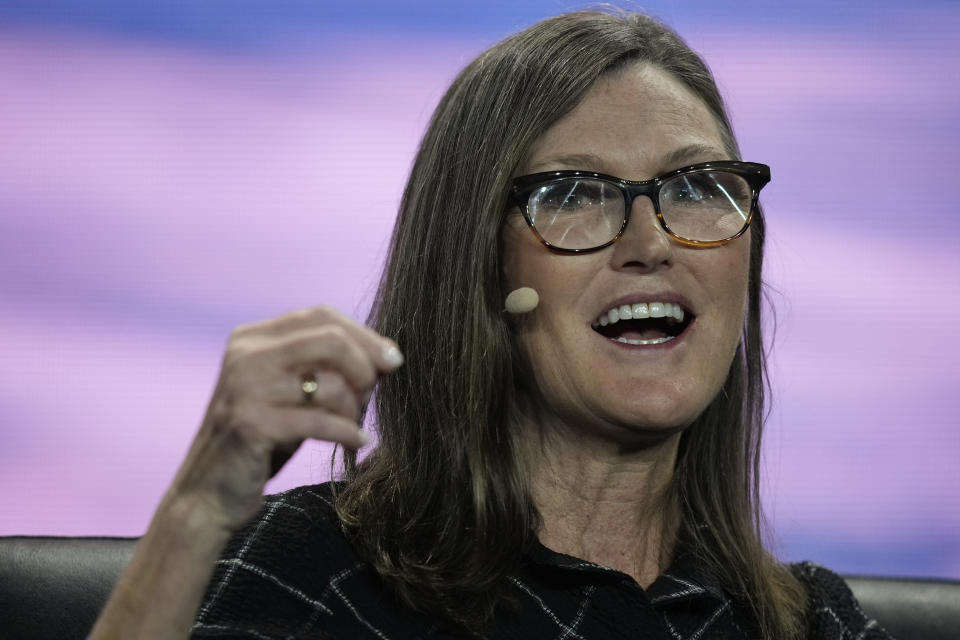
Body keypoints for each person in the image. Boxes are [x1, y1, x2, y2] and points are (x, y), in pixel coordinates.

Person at [91, 9, 892, 640]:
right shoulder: (327, 576)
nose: (651, 244)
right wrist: (193, 516)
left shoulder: (804, 622)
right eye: (575, 193)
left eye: (697, 188)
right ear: (478, 266)